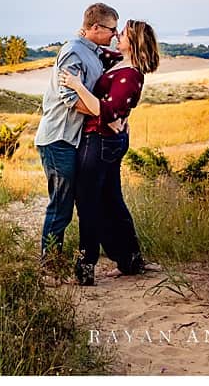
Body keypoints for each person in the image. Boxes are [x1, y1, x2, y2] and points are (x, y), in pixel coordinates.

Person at [59, 19, 161, 286]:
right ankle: (129, 260)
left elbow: (106, 111)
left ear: (134, 42)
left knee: (90, 204)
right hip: (107, 140)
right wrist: (82, 33)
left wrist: (77, 85)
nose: (117, 35)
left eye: (123, 33)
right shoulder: (120, 61)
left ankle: (86, 268)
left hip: (100, 142)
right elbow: (97, 50)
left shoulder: (131, 75)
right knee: (112, 201)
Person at [33, 3, 121, 260]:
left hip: (73, 140)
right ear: (95, 27)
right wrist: (105, 116)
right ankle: (49, 266)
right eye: (111, 30)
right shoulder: (73, 52)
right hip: (58, 139)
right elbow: (70, 97)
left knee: (79, 203)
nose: (115, 36)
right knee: (61, 206)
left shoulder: (94, 51)